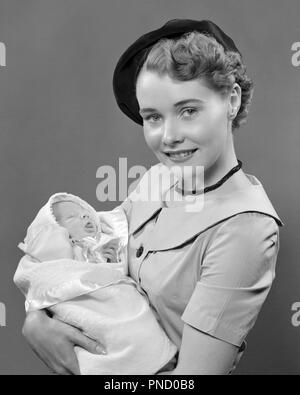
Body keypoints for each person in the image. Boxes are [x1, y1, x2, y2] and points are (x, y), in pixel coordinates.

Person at [20, 19, 284, 375]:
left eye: (188, 111)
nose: (169, 136)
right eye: (153, 117)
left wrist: (71, 360)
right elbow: (94, 255)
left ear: (231, 100)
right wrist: (40, 316)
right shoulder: (158, 177)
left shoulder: (246, 228)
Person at [14, 192, 177, 375]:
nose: (84, 216)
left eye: (85, 212)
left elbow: (115, 272)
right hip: (85, 301)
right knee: (104, 336)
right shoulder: (62, 254)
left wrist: (111, 260)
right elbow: (55, 275)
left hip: (119, 300)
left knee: (134, 326)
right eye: (71, 217)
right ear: (56, 229)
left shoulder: (104, 242)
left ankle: (149, 357)